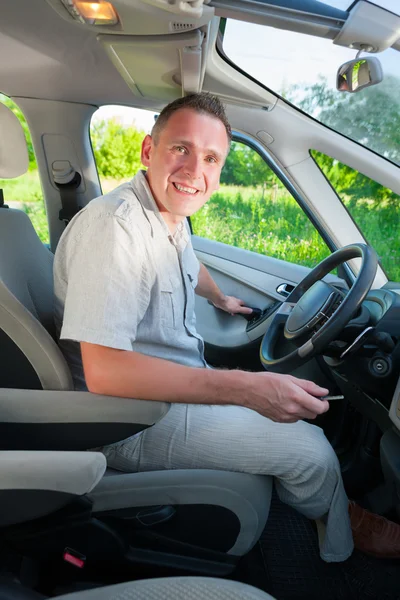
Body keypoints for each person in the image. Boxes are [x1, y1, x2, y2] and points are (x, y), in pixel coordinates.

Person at [54, 93, 400, 561]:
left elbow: (186, 262)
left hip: (166, 392)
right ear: (147, 151)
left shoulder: (165, 214)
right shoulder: (114, 230)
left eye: (211, 157)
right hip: (131, 420)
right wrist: (243, 388)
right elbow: (105, 373)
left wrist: (220, 298)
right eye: (181, 149)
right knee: (310, 448)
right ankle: (343, 540)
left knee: (287, 400)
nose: (195, 169)